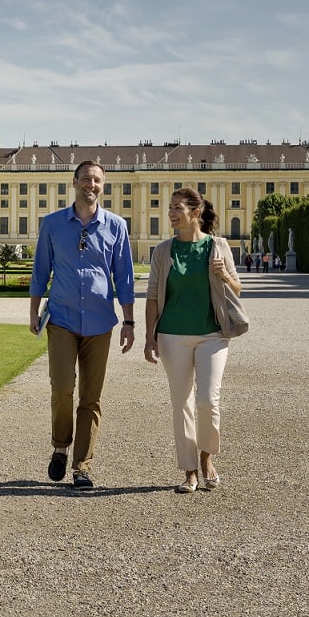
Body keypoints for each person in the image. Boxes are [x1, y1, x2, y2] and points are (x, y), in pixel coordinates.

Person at [30, 160, 136, 490]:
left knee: (91, 397)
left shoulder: (116, 226)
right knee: (62, 387)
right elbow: (40, 271)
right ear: (74, 183)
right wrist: (33, 312)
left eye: (97, 180)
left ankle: (82, 467)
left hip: (100, 322)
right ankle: (60, 447)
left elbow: (125, 278)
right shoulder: (53, 224)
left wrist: (130, 321)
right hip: (61, 319)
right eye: (86, 179)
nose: (91, 184)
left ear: (102, 186)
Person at [144, 187, 241, 494]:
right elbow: (152, 296)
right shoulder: (163, 250)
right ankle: (189, 471)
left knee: (208, 401)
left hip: (212, 334)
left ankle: (207, 458)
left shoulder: (219, 246)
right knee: (181, 403)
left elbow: (237, 289)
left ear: (195, 213)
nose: (171, 213)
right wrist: (150, 336)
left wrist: (224, 275)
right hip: (173, 335)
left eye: (177, 208)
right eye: (170, 208)